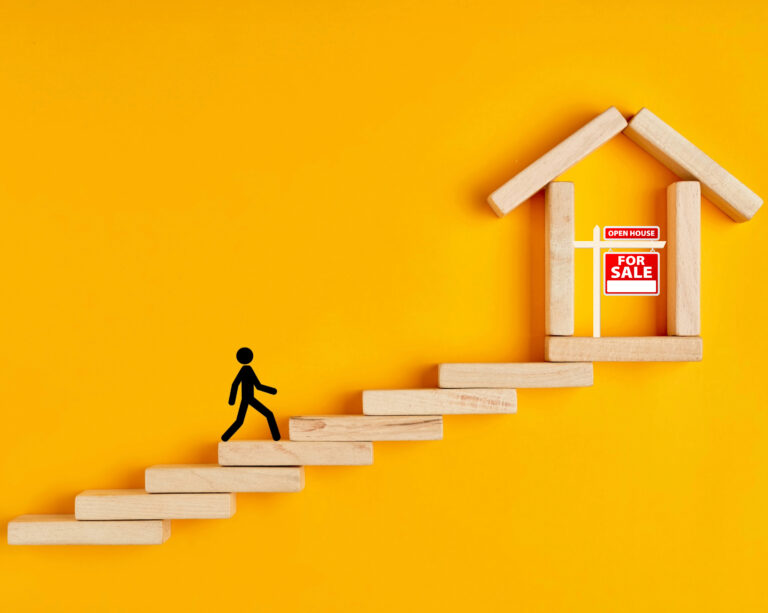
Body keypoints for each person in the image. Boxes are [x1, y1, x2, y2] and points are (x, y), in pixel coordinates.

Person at [221, 347, 281, 441]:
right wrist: (272, 391)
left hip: (246, 399)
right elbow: (257, 386)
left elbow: (236, 384)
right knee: (269, 414)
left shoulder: (245, 370)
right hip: (249, 399)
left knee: (240, 421)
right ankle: (276, 437)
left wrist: (232, 400)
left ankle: (225, 437)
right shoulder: (247, 370)